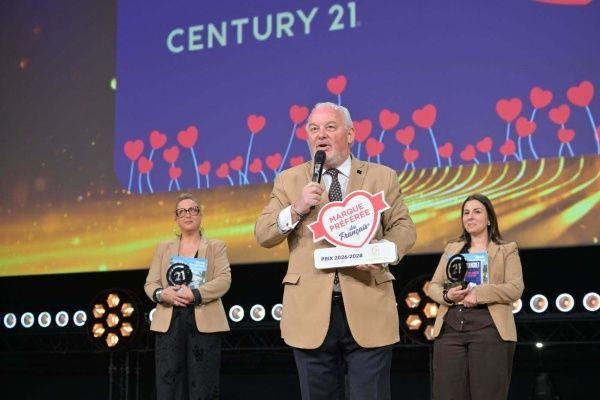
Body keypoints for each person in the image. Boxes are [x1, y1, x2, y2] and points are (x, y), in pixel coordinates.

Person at [255, 102, 416, 400]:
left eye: (330, 127)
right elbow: (264, 234)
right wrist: (297, 208)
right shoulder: (290, 180)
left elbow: (404, 228)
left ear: (350, 134)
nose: (321, 135)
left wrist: (382, 251)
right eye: (314, 129)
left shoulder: (381, 176)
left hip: (368, 302)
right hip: (310, 311)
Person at [429, 193, 524, 400]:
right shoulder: (452, 249)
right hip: (450, 330)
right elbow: (433, 286)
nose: (470, 217)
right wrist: (448, 295)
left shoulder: (506, 250)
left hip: (489, 329)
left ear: (489, 219)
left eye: (477, 212)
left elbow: (516, 288)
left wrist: (479, 293)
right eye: (466, 213)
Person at [144, 193, 231, 400]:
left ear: (200, 215)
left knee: (203, 385)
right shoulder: (163, 248)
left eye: (192, 210)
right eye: (182, 211)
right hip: (169, 323)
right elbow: (150, 284)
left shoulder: (216, 246)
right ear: (176, 218)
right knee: (169, 385)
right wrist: (161, 294)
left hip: (203, 321)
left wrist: (195, 294)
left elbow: (223, 280)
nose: (188, 214)